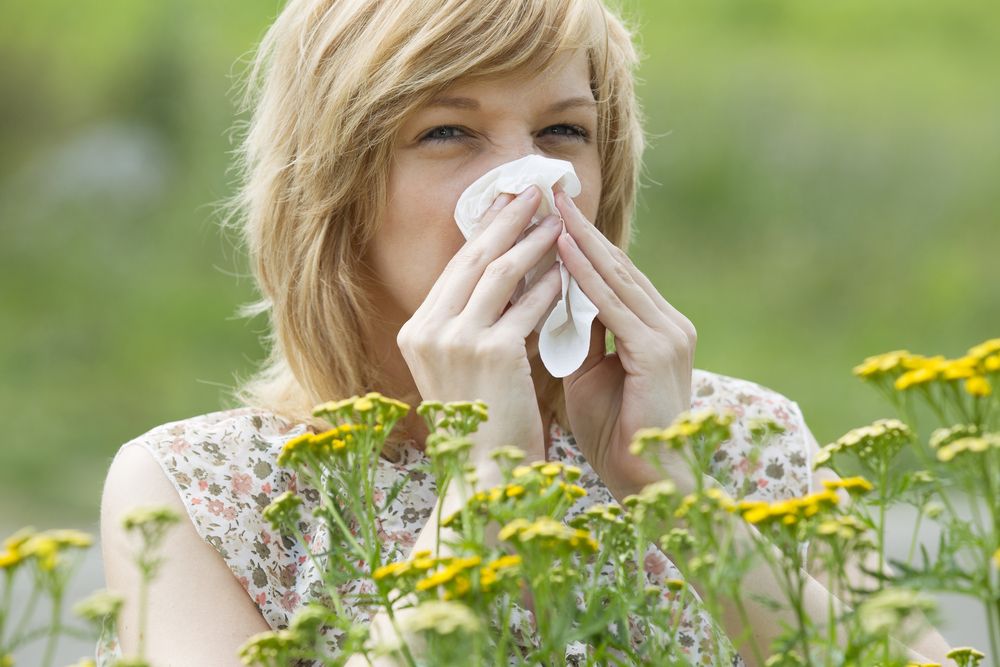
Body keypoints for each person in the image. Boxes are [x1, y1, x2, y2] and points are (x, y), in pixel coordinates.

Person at [98, 0, 958, 665]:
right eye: (448, 132)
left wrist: (677, 493)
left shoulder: (741, 440)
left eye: (561, 131)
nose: (529, 185)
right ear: (335, 191)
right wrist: (483, 487)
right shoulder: (202, 490)